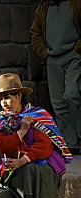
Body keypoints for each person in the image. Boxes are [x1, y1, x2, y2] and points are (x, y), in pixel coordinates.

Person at [0, 73, 73, 198]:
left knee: (37, 168)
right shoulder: (2, 121)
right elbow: (4, 147)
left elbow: (44, 146)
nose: (4, 103)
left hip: (37, 160)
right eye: (1, 99)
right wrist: (22, 131)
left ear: (19, 96)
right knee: (21, 170)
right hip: (13, 163)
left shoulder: (38, 116)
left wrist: (23, 160)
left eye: (8, 98)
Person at [29, 0, 81, 155]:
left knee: (72, 94)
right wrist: (44, 53)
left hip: (73, 55)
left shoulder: (75, 3)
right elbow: (35, 33)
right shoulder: (44, 7)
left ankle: (80, 135)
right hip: (53, 59)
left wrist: (77, 49)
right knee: (58, 102)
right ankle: (70, 142)